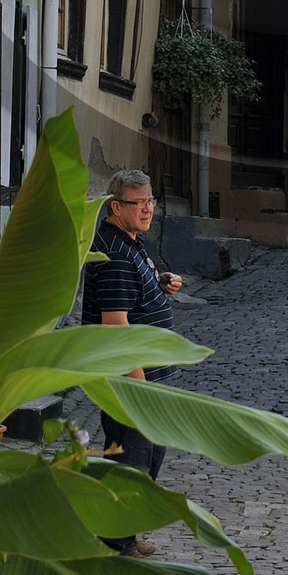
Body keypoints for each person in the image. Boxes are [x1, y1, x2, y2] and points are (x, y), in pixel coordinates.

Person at [80, 169, 183, 554]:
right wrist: (137, 383)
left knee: (141, 455)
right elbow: (115, 325)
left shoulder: (127, 242)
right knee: (134, 461)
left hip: (146, 374)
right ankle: (114, 542)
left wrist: (160, 282)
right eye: (139, 203)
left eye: (151, 201)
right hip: (133, 380)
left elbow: (131, 297)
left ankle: (124, 534)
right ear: (115, 207)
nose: (148, 209)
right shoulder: (115, 255)